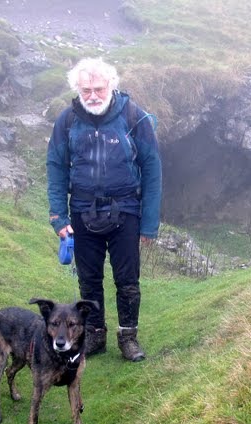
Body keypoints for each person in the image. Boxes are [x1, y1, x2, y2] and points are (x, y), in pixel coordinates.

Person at [46, 58, 162, 362]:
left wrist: (149, 224)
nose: (93, 95)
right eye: (86, 90)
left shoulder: (134, 117)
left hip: (126, 209)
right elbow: (56, 167)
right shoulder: (67, 121)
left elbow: (152, 168)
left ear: (111, 84)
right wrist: (59, 216)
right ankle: (95, 335)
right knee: (89, 280)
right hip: (82, 210)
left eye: (99, 88)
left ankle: (128, 338)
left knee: (128, 280)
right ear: (77, 89)